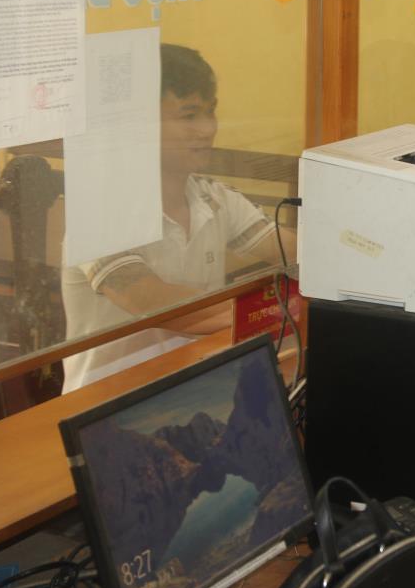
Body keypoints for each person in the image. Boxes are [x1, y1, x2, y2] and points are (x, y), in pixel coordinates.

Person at [61, 44, 295, 392]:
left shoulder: (213, 197)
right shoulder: (99, 211)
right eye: (189, 116)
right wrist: (276, 311)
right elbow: (155, 303)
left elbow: (291, 249)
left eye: (210, 112)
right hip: (106, 404)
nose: (207, 129)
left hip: (189, 388)